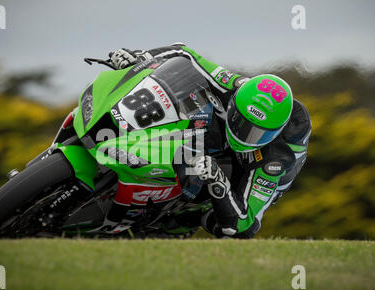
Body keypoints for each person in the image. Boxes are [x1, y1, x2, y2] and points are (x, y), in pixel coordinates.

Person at [105, 43, 312, 238]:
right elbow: (184, 53)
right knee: (195, 102)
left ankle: (182, 220)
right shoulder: (234, 85)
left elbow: (245, 223)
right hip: (221, 123)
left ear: (274, 133)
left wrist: (217, 179)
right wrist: (141, 57)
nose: (244, 136)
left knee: (227, 225)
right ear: (235, 100)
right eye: (241, 123)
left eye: (257, 133)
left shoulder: (275, 160)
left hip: (253, 168)